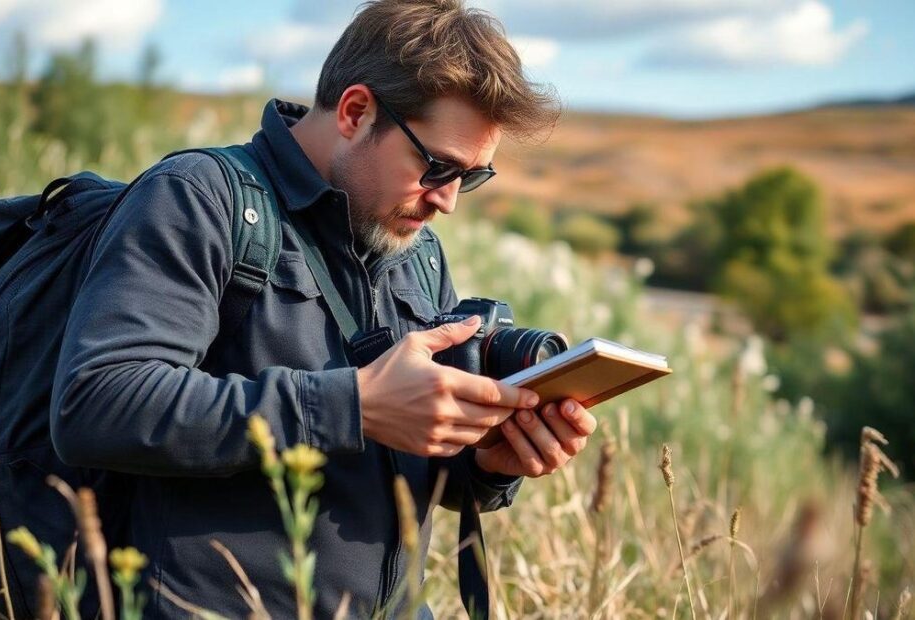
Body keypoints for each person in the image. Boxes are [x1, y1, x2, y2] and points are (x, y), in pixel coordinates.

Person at [50, 0, 598, 616]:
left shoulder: (416, 249)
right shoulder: (198, 199)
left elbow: (398, 456)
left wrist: (486, 462)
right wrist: (353, 405)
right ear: (356, 111)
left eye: (469, 177)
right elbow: (98, 401)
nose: (446, 201)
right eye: (437, 166)